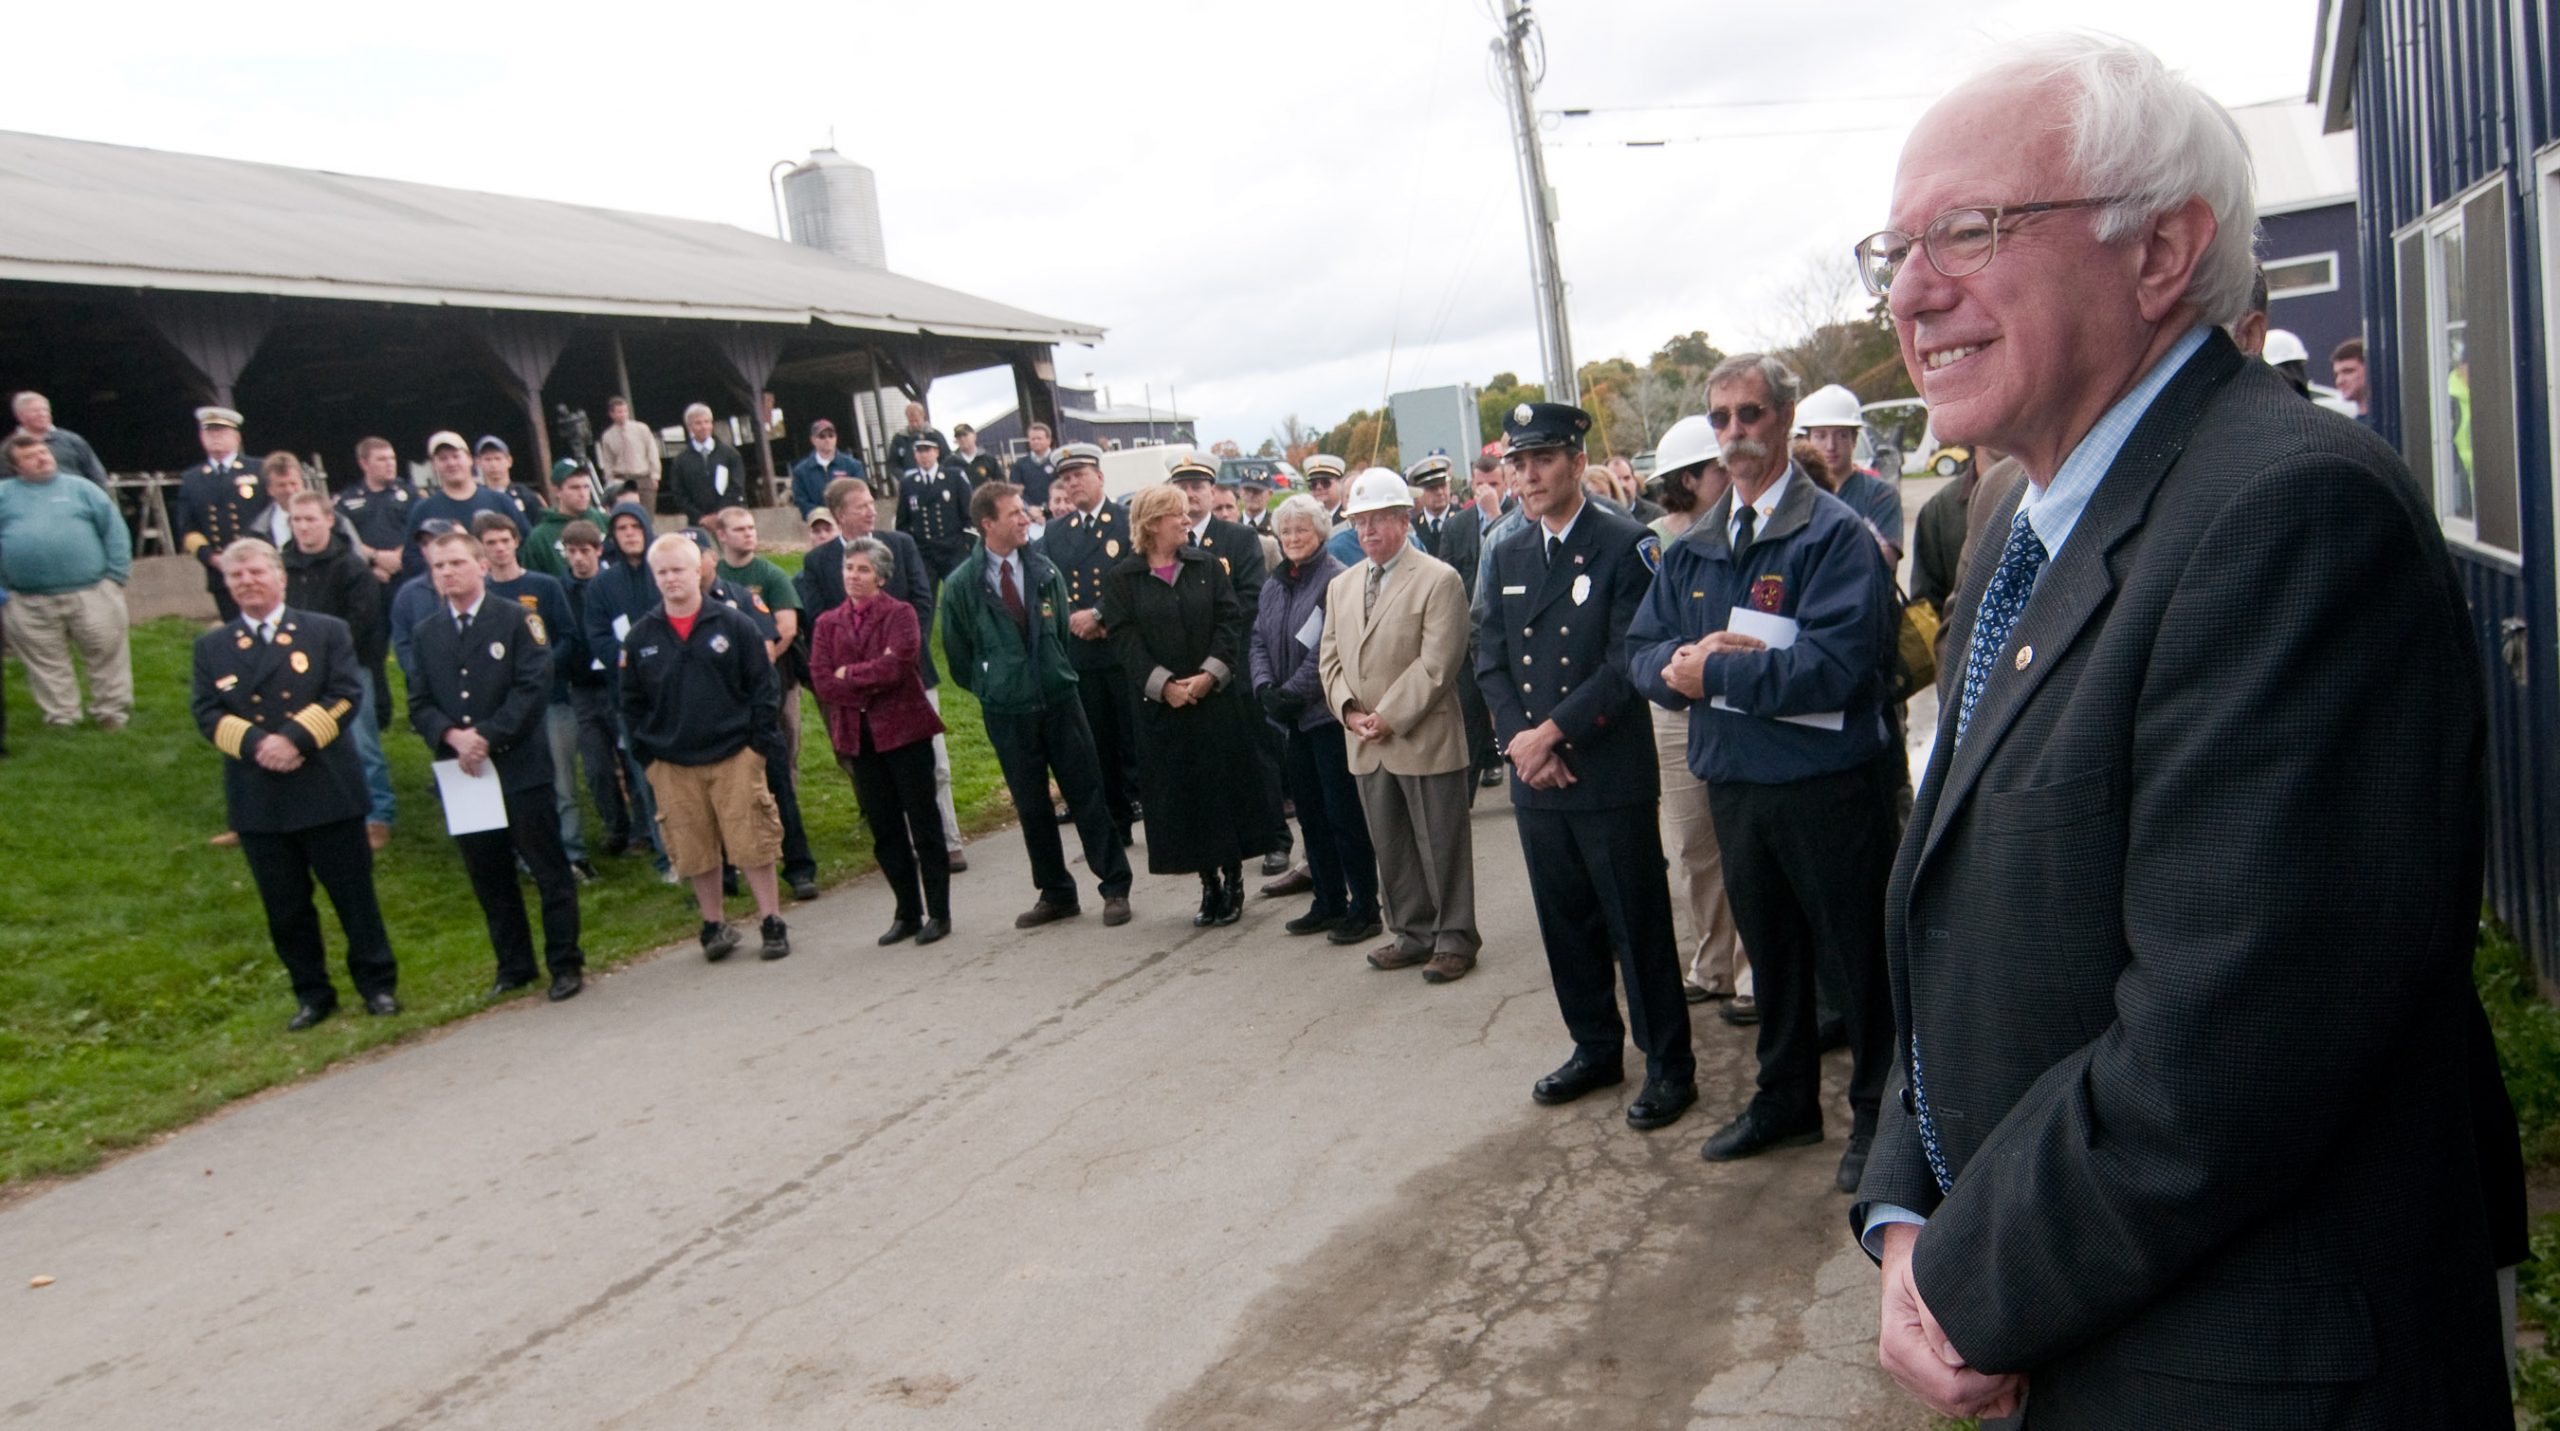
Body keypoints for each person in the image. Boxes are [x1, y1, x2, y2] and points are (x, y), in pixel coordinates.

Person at [1843, 34, 2523, 1424]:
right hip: (2098, 1316)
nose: (1913, 293)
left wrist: (1969, 1275)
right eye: (1894, 250)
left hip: (2252, 1363)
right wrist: (1903, 1201)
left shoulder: (2290, 515)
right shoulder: (2007, 529)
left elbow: (2234, 1041)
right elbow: (1959, 910)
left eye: (1967, 231)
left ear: (2161, 255)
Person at [1627, 353, 1898, 1184]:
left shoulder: (1833, 535)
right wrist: (1680, 660)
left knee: (1857, 964)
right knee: (1772, 956)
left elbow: (1840, 665)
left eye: (1750, 414)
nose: (1736, 433)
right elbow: (1640, 653)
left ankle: (1883, 1120)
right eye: (1722, 419)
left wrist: (1715, 673)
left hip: (1828, 785)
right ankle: (1785, 1101)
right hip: (1738, 784)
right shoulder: (1694, 546)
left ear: (1783, 421)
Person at [1473, 402, 1695, 1130]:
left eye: (1542, 459)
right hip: (1539, 779)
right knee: (1566, 924)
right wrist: (1520, 742)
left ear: (1576, 459)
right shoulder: (1506, 549)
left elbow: (1627, 658)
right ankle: (1594, 1046)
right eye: (1518, 463)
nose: (1528, 476)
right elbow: (1491, 658)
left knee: (1637, 926)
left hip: (1604, 771)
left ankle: (1669, 1066)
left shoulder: (1626, 544)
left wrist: (1554, 735)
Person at [193, 539, 398, 1029]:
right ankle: (312, 994)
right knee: (285, 909)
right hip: (260, 796)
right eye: (237, 576)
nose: (247, 583)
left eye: (256, 573)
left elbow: (345, 695)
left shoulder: (324, 631)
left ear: (280, 577)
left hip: (326, 788)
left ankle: (378, 986)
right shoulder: (213, 647)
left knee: (354, 899)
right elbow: (206, 711)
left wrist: (294, 741)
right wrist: (259, 745)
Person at [940, 480, 1134, 928]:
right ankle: (1056, 892)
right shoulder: (962, 586)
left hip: (1061, 700)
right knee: (1031, 805)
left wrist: (1050, 674)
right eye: (1014, 514)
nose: (1025, 519)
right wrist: (995, 685)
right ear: (988, 524)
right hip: (1007, 711)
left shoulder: (1045, 570)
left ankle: (1115, 887)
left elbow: (1061, 634)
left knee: (1088, 793)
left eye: (1024, 512)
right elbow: (959, 656)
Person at [408, 528, 585, 1002]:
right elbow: (419, 702)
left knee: (548, 869)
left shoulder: (517, 620)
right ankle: (514, 964)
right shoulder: (427, 633)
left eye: (456, 563)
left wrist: (487, 735)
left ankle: (565, 962)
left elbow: (533, 686)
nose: (446, 572)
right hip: (464, 773)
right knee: (489, 875)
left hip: (518, 764)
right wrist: (452, 736)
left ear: (481, 566)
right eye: (438, 566)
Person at [1317, 468, 1478, 981]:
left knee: (1440, 843)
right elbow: (1329, 660)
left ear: (1403, 520)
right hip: (1365, 738)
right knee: (1390, 844)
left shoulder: (1437, 578)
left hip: (1421, 735)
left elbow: (1438, 663)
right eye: (1359, 523)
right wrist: (1349, 711)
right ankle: (1411, 933)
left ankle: (1454, 937)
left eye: (1378, 521)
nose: (1367, 533)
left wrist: (1388, 715)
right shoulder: (1341, 586)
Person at [1100, 483, 1286, 925]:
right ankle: (1209, 884)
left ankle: (1235, 879)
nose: (1187, 521)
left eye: (1187, 513)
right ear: (1152, 524)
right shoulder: (1122, 578)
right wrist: (1165, 686)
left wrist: (1209, 675)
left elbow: (1230, 620)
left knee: (1224, 791)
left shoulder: (1205, 566)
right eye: (1177, 515)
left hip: (1214, 701)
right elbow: (1125, 641)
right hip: (1163, 710)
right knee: (1187, 798)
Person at [621, 533, 792, 962]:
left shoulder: (734, 624)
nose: (671, 579)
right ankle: (714, 924)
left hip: (735, 753)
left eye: (679, 569)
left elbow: (763, 687)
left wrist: (756, 746)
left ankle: (771, 920)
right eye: (662, 572)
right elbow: (630, 703)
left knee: (752, 839)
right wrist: (650, 757)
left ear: (698, 570)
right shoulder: (642, 636)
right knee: (693, 847)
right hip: (672, 761)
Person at [798, 477, 965, 869]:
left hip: (911, 676)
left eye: (872, 502)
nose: (871, 510)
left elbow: (922, 602)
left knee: (934, 764)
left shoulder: (902, 545)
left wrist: (900, 653)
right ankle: (905, 848)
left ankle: (948, 840)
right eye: (861, 505)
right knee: (883, 774)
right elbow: (821, 620)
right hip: (859, 696)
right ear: (840, 515)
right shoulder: (819, 563)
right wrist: (865, 669)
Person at [1642, 415, 1752, 1014]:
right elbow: (1643, 634)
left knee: (1744, 838)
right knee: (1691, 843)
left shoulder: (1746, 531)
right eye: (1715, 468)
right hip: (1676, 706)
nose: (1727, 474)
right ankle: (1712, 964)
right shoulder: (1656, 540)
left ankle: (1753, 973)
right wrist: (1676, 665)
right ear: (1688, 478)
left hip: (1740, 696)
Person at [1250, 494, 1381, 944]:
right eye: (1285, 531)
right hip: (1289, 722)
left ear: (1320, 533)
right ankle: (1327, 901)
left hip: (1326, 717)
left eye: (1301, 530)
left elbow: (1331, 646)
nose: (1292, 538)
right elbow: (1258, 641)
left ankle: (1365, 906)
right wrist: (1264, 687)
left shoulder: (1336, 580)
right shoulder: (1274, 584)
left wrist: (1292, 693)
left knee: (1343, 815)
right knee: (1309, 815)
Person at [810, 537, 951, 945]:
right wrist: (857, 678)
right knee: (885, 830)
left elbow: (897, 666)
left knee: (924, 824)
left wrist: (848, 676)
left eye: (863, 570)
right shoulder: (827, 623)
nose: (853, 576)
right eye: (849, 568)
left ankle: (939, 912)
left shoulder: (900, 613)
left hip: (904, 732)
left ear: (882, 576)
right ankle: (907, 910)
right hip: (860, 738)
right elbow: (821, 679)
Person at [1165, 452, 1290, 878]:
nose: (1189, 495)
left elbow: (1251, 601)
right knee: (1209, 767)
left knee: (1258, 756)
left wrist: (1219, 659)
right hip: (1187, 675)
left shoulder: (1236, 539)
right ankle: (1226, 845)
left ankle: (1277, 839)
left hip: (1233, 668)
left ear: (1212, 491)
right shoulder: (1168, 543)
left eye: (1197, 486)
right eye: (1181, 487)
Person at [686, 525, 820, 902]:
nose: (690, 568)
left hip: (750, 716)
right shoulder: (671, 613)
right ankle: (724, 874)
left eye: (697, 556)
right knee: (712, 806)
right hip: (704, 725)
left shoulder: (740, 599)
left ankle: (799, 867)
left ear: (711, 558)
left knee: (778, 791)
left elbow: (766, 652)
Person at [473, 512, 594, 881]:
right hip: (503, 708)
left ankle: (572, 853)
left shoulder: (545, 586)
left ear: (516, 541)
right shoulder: (482, 594)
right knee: (514, 784)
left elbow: (570, 638)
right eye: (490, 542)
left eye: (504, 540)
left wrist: (536, 670)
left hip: (551, 700)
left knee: (561, 781)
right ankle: (528, 856)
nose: (498, 548)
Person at [1040, 444, 1144, 844]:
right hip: (1081, 649)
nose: (1072, 484)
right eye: (1066, 478)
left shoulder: (1124, 521)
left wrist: (1101, 614)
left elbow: (1133, 572)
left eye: (1079, 475)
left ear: (1099, 477)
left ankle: (1154, 813)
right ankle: (1117, 825)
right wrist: (1076, 619)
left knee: (1134, 736)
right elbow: (1049, 585)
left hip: (1120, 644)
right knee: (1098, 742)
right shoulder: (1056, 532)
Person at [280, 490, 393, 848]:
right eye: (296, 521)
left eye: (310, 519)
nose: (303, 528)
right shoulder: (283, 564)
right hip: (295, 670)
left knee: (362, 742)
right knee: (301, 738)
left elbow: (362, 619)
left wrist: (325, 655)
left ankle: (378, 815)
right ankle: (309, 811)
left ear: (329, 520)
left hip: (349, 667)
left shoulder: (351, 566)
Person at [0, 433, 133, 728]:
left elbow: (115, 531)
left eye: (44, 452)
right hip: (26, 599)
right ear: (15, 467)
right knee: (47, 663)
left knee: (106, 653)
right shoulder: (4, 495)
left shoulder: (82, 489)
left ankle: (111, 712)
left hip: (93, 591)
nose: (42, 458)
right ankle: (62, 717)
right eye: (31, 456)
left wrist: (115, 577)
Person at [578, 499, 676, 882]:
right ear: (613, 538)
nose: (629, 534)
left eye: (634, 527)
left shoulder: (662, 573)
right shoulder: (603, 585)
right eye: (621, 529)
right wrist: (630, 660)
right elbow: (597, 635)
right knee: (646, 780)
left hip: (673, 691)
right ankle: (666, 855)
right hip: (629, 698)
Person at [553, 519, 635, 860]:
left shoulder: (612, 584)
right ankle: (615, 827)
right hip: (582, 688)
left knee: (630, 759)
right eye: (572, 552)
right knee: (597, 766)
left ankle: (643, 831)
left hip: (616, 683)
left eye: (585, 551)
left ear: (599, 551)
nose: (579, 559)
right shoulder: (560, 590)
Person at [1440, 453, 1506, 790]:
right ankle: (1464, 792)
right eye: (1481, 484)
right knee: (1468, 712)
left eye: (1493, 484)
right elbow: (1447, 579)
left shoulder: (1517, 517)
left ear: (1505, 482)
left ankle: (1512, 767)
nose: (1486, 491)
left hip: (1508, 634)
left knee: (1507, 709)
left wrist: (1496, 516)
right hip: (1469, 634)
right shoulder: (1457, 525)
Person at [1794, 384, 1905, 563]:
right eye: (1821, 436)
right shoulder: (1796, 495)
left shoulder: (1880, 494)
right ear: (1806, 440)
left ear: (1854, 440)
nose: (1831, 446)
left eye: (1841, 435)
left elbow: (1887, 559)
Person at [177, 406, 266, 622]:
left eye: (222, 431)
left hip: (261, 565)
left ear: (236, 436)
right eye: (210, 432)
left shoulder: (258, 470)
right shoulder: (192, 479)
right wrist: (211, 557)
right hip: (221, 571)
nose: (215, 437)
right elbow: (187, 528)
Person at [402, 431, 527, 580]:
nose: (451, 463)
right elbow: (411, 558)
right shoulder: (423, 509)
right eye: (443, 459)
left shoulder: (501, 501)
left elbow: (526, 544)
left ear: (470, 459)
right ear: (434, 465)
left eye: (456, 456)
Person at [897, 429, 976, 588]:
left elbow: (969, 513)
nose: (924, 455)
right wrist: (910, 548)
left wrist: (967, 543)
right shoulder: (908, 483)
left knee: (960, 596)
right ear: (915, 455)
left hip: (953, 549)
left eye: (928, 450)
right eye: (920, 451)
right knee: (926, 599)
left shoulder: (954, 477)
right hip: (925, 552)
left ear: (937, 452)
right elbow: (902, 522)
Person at [334, 437, 415, 585]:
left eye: (392, 458)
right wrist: (374, 559)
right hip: (369, 579)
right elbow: (342, 540)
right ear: (364, 463)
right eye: (382, 459)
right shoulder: (347, 500)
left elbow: (420, 529)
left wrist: (399, 555)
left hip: (408, 574)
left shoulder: (410, 493)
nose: (390, 464)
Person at [668, 404, 748, 523]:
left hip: (730, 518)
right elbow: (679, 494)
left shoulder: (730, 454)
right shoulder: (680, 461)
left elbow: (737, 486)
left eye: (707, 422)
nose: (704, 427)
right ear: (689, 427)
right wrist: (700, 517)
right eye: (698, 423)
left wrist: (719, 514)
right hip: (699, 522)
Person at [7, 391, 106, 484]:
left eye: (45, 410)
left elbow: (96, 473)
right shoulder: (9, 446)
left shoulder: (72, 440)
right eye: (35, 411)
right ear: (20, 415)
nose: (42, 414)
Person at [523, 463, 601, 579]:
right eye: (575, 488)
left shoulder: (603, 521)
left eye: (586, 487)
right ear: (557, 491)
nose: (582, 494)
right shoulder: (540, 537)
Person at [788, 418, 865, 519]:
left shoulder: (853, 466)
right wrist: (822, 515)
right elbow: (801, 500)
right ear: (813, 440)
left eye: (831, 435)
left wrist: (845, 513)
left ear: (836, 438)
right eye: (822, 436)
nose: (827, 439)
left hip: (849, 519)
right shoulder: (801, 471)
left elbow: (860, 493)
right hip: (820, 523)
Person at [595, 395, 662, 512]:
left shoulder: (642, 429)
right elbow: (608, 461)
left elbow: (652, 452)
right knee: (628, 514)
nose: (623, 414)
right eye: (619, 412)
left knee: (647, 515)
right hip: (622, 480)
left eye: (625, 411)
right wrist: (610, 481)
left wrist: (655, 475)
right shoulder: (608, 436)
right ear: (612, 414)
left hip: (643, 478)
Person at [475, 435, 543, 515]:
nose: (493, 464)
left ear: (509, 461)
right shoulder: (475, 497)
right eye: (487, 459)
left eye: (498, 458)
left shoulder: (527, 496)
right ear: (478, 463)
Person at [1405, 454, 1456, 557]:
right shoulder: (1413, 528)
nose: (1440, 492)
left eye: (1443, 485)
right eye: (1432, 488)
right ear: (1419, 492)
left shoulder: (1465, 520)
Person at [1009, 422, 1058, 510]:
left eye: (1039, 439)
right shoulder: (1019, 464)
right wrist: (1030, 509)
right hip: (1031, 515)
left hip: (1057, 510)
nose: (1035, 441)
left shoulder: (1057, 462)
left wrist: (1047, 507)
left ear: (1049, 440)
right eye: (1032, 439)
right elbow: (1014, 491)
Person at [2331, 334, 2373, 423]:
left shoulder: (2397, 421)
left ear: (2370, 370)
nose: (2339, 381)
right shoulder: (2351, 429)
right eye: (2336, 375)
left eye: (2348, 371)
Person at [952, 423, 1004, 488]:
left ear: (974, 436)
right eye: (958, 437)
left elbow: (1001, 484)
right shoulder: (951, 462)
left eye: (965, 435)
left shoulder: (989, 460)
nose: (962, 439)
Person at [1302, 455, 1346, 524]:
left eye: (1325, 482)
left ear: (1340, 483)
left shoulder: (1350, 517)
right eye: (1313, 484)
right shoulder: (1306, 519)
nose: (1318, 487)